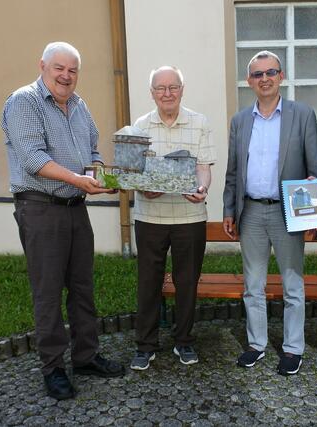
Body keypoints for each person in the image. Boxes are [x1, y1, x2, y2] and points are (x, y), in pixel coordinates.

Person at [2, 41, 125, 400]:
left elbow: (93, 152)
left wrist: (100, 175)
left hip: (75, 209)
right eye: (59, 68)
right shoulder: (23, 102)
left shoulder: (79, 106)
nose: (66, 76)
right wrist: (79, 179)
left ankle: (86, 356)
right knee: (48, 292)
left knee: (83, 287)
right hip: (40, 209)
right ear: (42, 66)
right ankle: (53, 368)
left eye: (72, 70)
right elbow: (31, 157)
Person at [222, 51, 317, 376]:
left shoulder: (302, 115)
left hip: (288, 212)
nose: (264, 78)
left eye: (271, 72)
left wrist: (314, 217)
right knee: (253, 284)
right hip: (250, 211)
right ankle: (256, 344)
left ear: (281, 76)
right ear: (249, 81)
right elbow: (233, 172)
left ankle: (293, 348)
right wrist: (228, 210)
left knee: (293, 283)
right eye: (257, 74)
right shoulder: (240, 120)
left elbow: (313, 169)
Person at [130, 66, 216, 371]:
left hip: (190, 216)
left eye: (173, 87)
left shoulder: (199, 122)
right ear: (151, 92)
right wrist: (143, 188)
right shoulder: (139, 126)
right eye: (160, 88)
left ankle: (184, 340)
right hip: (150, 217)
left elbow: (204, 166)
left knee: (187, 282)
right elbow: (132, 174)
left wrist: (203, 188)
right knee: (148, 282)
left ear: (182, 89)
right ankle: (145, 345)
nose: (167, 93)